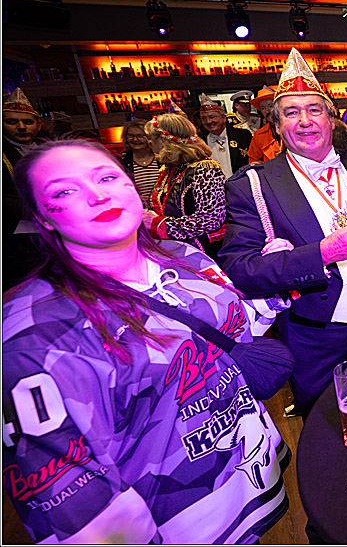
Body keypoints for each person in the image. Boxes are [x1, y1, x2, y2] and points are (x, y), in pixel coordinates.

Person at [3, 139, 289, 544]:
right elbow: (75, 507)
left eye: (107, 177)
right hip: (180, 526)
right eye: (65, 191)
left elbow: (233, 331)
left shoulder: (184, 257)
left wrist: (280, 277)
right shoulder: (38, 336)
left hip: (248, 484)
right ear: (42, 218)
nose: (98, 194)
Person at [218, 48, 347, 418]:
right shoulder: (255, 186)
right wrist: (322, 254)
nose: (305, 121)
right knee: (328, 430)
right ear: (277, 126)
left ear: (332, 119)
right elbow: (239, 269)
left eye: (314, 110)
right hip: (315, 338)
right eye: (291, 113)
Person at [144, 113, 227, 256]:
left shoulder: (205, 169)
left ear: (164, 140)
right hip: (177, 250)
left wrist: (160, 224)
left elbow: (211, 219)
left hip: (205, 253)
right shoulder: (169, 168)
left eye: (150, 138)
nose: (149, 143)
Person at [3, 88, 47, 291]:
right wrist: (40, 209)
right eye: (12, 122)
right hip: (19, 241)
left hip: (58, 233)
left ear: (38, 125)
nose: (21, 127)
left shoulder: (48, 148)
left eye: (27, 122)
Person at [198, 93, 253, 178]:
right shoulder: (199, 142)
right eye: (203, 118)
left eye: (212, 117)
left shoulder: (243, 136)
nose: (208, 121)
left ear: (224, 118)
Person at [119, 119, 161, 202]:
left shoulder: (162, 158)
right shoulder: (122, 162)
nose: (135, 139)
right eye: (130, 136)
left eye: (140, 136)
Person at [247, 86, 283, 163]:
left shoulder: (295, 127)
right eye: (262, 108)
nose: (267, 111)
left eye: (270, 106)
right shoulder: (259, 135)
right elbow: (253, 161)